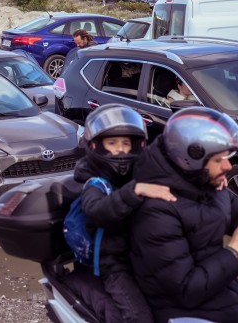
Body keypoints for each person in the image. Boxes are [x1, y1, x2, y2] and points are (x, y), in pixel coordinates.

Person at [130, 107, 238, 323]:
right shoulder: (155, 212)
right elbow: (186, 289)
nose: (228, 166)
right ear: (190, 160)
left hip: (230, 299)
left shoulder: (204, 183)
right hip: (185, 313)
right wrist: (235, 250)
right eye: (219, 160)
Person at [75, 105, 176, 323]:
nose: (120, 150)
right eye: (112, 143)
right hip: (113, 265)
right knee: (138, 316)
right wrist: (134, 191)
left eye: (126, 143)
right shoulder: (95, 184)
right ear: (96, 146)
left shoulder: (138, 173)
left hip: (143, 257)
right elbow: (97, 210)